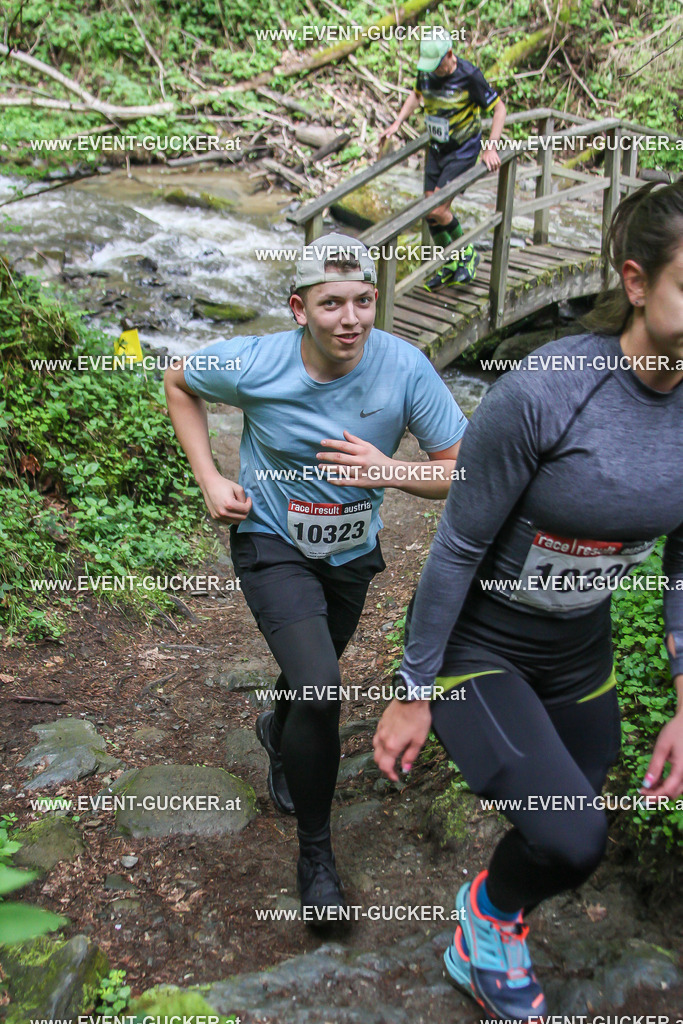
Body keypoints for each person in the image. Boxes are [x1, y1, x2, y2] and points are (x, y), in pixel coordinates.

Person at [372, 181, 683, 1021]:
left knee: (573, 823)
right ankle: (485, 922)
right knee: (570, 833)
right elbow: (458, 543)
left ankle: (491, 908)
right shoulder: (546, 388)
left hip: (577, 652)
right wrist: (412, 690)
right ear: (634, 281)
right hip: (483, 646)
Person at [164, 232, 467, 922]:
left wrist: (386, 470)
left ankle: (280, 730)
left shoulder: (404, 368)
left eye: (364, 300)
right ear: (298, 308)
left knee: (313, 674)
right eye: (331, 303)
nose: (351, 318)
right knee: (321, 686)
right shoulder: (254, 361)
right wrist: (209, 477)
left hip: (351, 552)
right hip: (269, 539)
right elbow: (178, 381)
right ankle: (317, 857)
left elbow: (461, 470)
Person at [379, 26, 506, 291]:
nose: (434, 71)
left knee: (439, 209)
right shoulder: (425, 72)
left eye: (438, 65)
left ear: (450, 54)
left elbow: (499, 109)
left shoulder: (469, 75)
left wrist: (491, 147)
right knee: (429, 211)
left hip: (463, 150)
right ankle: (452, 262)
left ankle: (467, 253)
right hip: (437, 150)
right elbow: (416, 95)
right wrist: (397, 123)